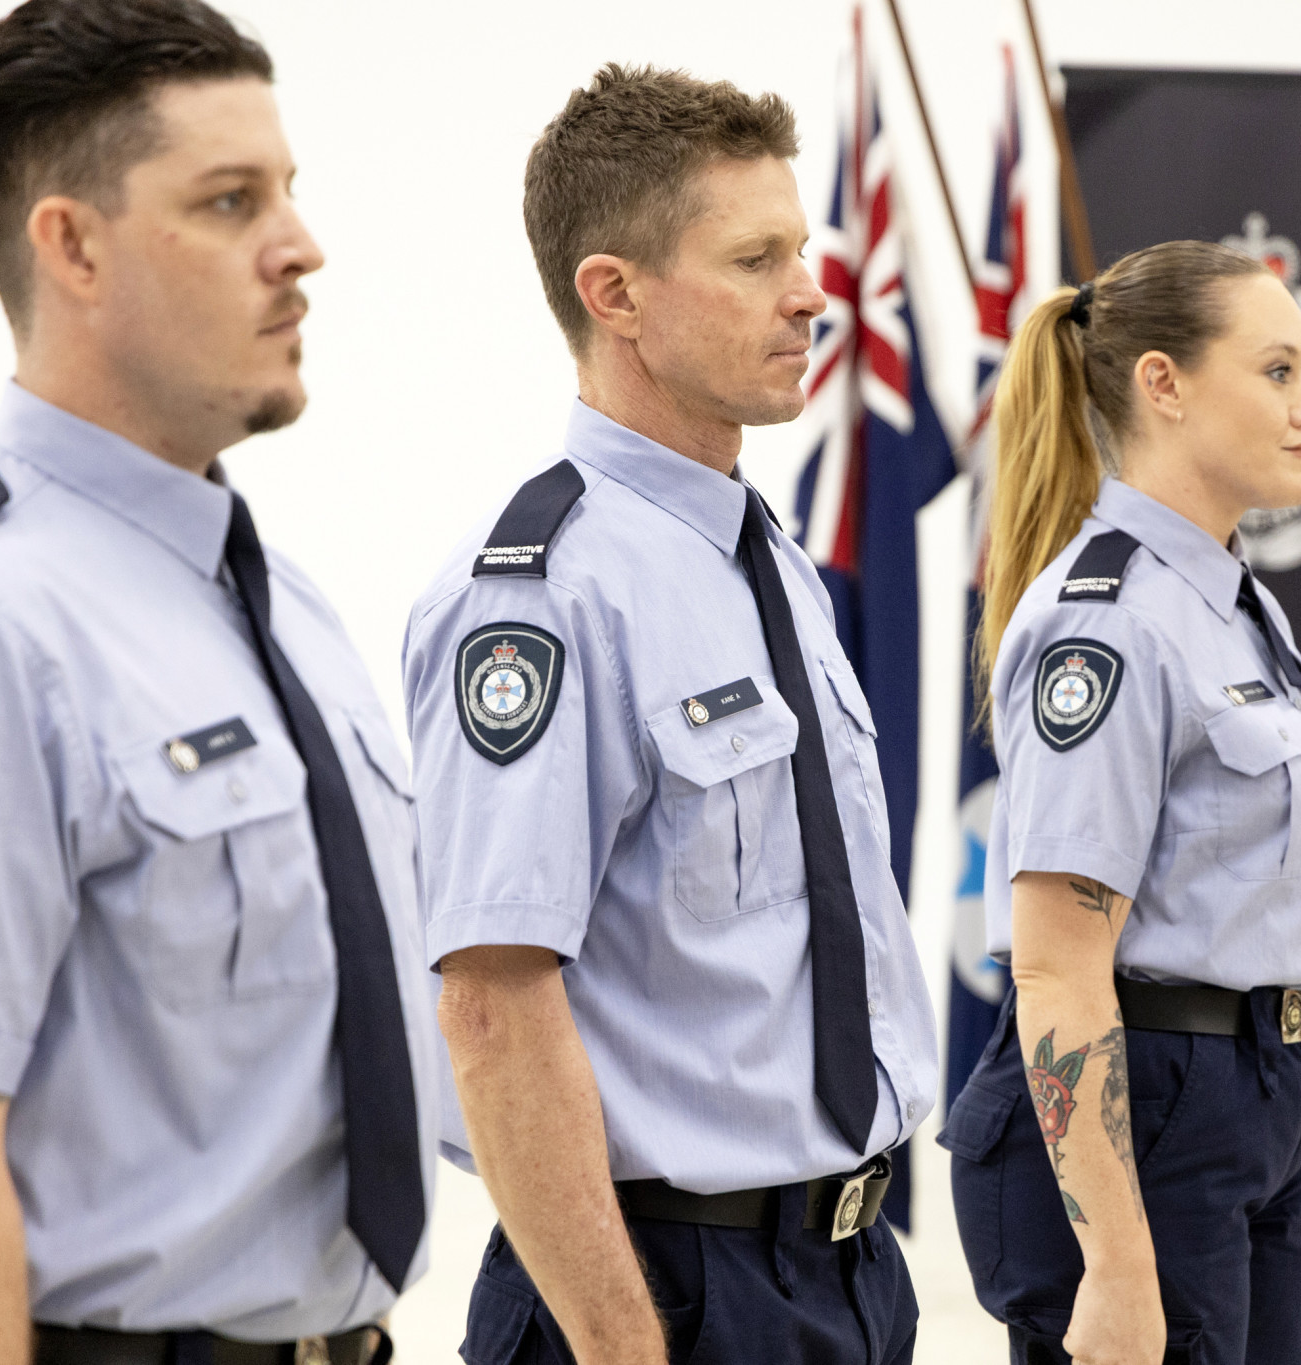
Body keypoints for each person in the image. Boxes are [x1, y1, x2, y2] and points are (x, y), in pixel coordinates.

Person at [0, 3, 436, 1362]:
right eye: (229, 200)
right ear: (72, 245)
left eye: (291, 193)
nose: (301, 247)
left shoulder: (277, 603)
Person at [402, 65, 937, 1365]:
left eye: (801, 249)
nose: (811, 291)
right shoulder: (544, 597)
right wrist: (624, 1346)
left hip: (852, 1275)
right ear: (615, 293)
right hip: (665, 1294)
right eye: (755, 258)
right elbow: (493, 1004)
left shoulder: (771, 563)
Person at [938, 240, 1301, 1365]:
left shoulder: (1225, 605)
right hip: (1153, 1110)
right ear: (1161, 384)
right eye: (1274, 372)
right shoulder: (1108, 619)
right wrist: (1116, 1268)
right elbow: (1053, 966)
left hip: (1264, 1102)